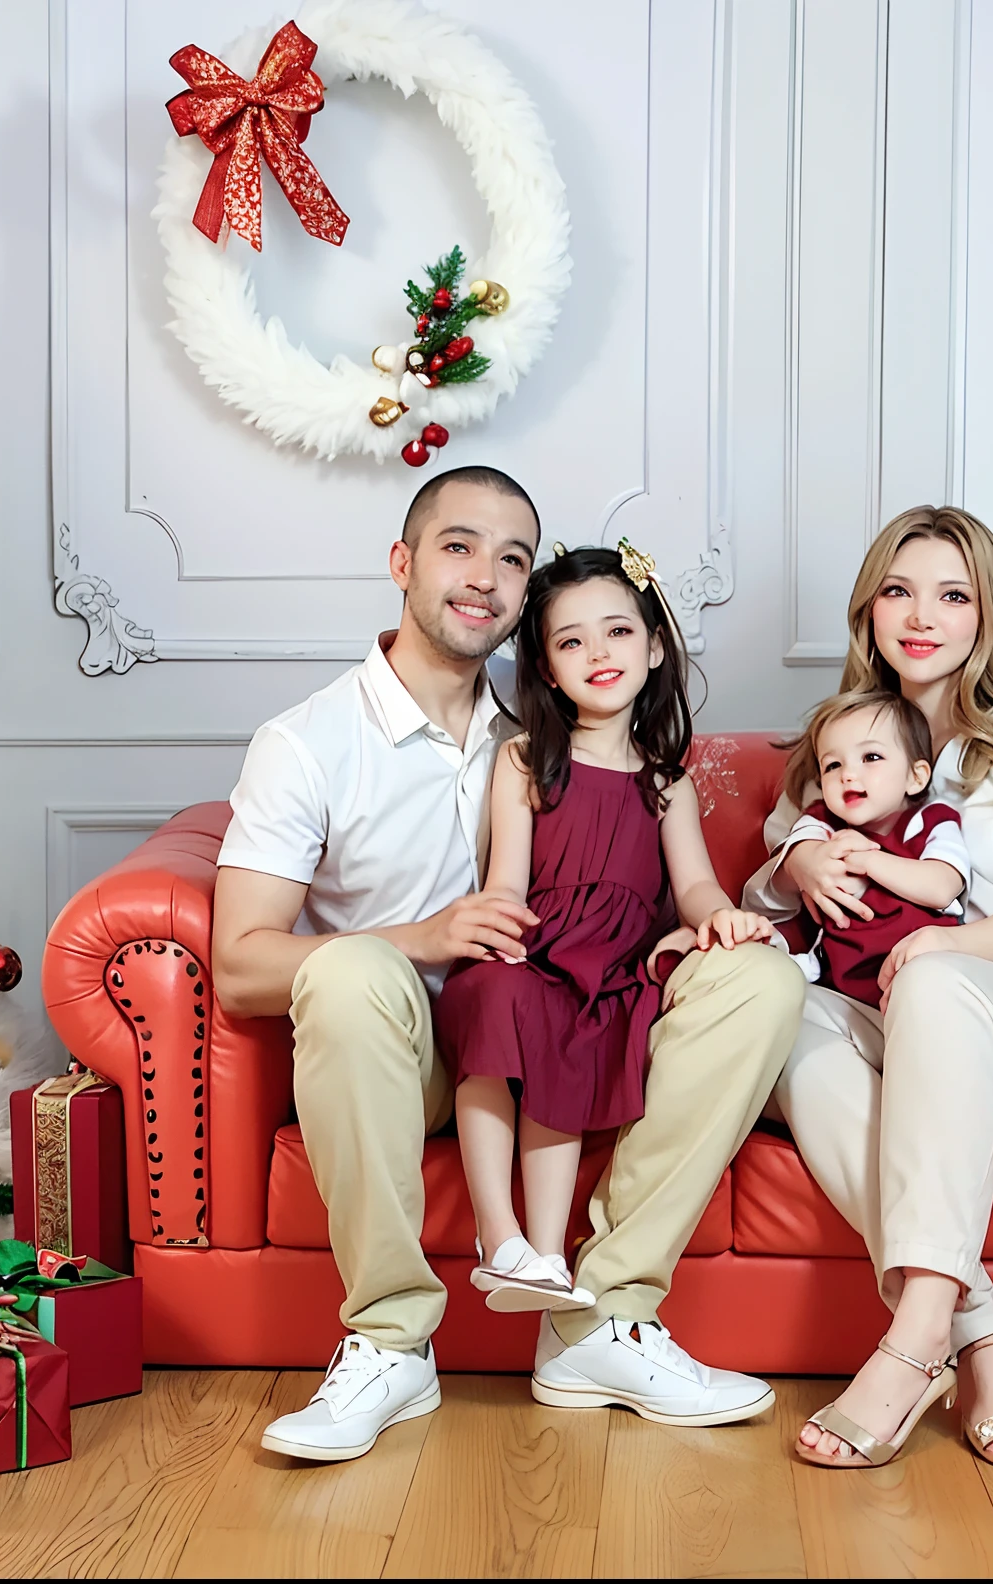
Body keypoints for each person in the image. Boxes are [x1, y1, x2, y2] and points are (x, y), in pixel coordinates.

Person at [213, 470, 806, 1462]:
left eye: (512, 557)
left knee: (760, 979)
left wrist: (689, 922)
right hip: (399, 1058)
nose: (484, 574)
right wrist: (421, 938)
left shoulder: (540, 736)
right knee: (354, 974)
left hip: (564, 1018)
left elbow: (646, 882)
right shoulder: (307, 743)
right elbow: (238, 967)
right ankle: (389, 1342)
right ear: (401, 564)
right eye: (456, 545)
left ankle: (599, 1318)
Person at [745, 505, 993, 1472]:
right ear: (867, 610)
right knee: (777, 1010)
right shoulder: (841, 745)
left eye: (954, 595)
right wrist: (799, 869)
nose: (922, 616)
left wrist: (938, 953)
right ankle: (983, 1339)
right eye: (899, 591)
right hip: (889, 1012)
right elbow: (783, 870)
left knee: (935, 981)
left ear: (989, 619)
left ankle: (912, 1341)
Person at [438, 544, 775, 1313]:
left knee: (579, 1025)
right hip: (532, 944)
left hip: (610, 967)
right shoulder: (526, 760)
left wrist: (716, 917)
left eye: (618, 632)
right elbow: (507, 884)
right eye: (571, 640)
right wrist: (501, 944)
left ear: (654, 647)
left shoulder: (668, 784)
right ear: (547, 670)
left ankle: (549, 1257)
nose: (598, 654)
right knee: (506, 997)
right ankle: (502, 1236)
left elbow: (692, 884)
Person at [766, 689, 967, 1007]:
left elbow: (942, 887)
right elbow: (800, 859)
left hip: (924, 975)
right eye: (832, 765)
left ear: (915, 777)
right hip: (837, 982)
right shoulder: (821, 822)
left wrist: (869, 860)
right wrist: (811, 857)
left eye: (871, 757)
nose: (847, 774)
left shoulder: (932, 820)